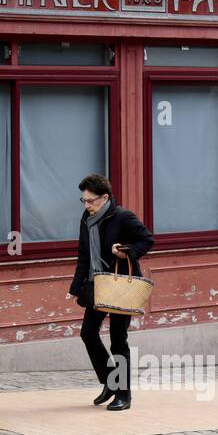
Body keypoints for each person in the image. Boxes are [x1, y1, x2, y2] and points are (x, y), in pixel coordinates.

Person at [65, 174, 154, 411]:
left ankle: (124, 395)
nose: (87, 206)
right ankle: (110, 381)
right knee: (88, 333)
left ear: (105, 198)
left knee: (118, 339)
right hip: (96, 284)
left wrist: (126, 252)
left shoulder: (123, 217)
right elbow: (83, 255)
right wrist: (76, 288)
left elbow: (146, 240)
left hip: (120, 285)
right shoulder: (86, 219)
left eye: (91, 201)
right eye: (83, 200)